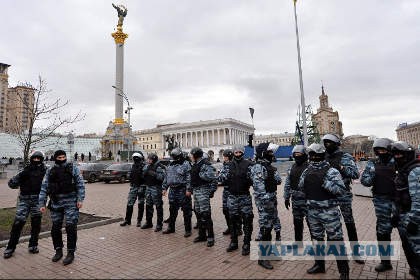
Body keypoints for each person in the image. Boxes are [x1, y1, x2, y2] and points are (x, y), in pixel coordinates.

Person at [298, 143, 349, 279]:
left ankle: (344, 272)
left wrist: (325, 183)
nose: (314, 158)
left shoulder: (331, 171)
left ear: (321, 156)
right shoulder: (307, 170)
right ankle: (319, 265)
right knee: (317, 240)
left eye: (316, 155)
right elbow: (301, 187)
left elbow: (341, 190)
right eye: (312, 155)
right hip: (313, 212)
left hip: (329, 212)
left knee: (337, 240)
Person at [322, 133, 364, 264]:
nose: (326, 145)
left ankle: (356, 253)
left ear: (336, 144)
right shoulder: (323, 157)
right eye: (325, 142)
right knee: (329, 222)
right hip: (328, 193)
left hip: (343, 195)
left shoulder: (344, 156)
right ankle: (330, 247)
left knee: (349, 224)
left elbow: (355, 174)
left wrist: (341, 167)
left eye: (329, 142)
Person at [38, 150, 85, 265]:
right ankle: (58, 250)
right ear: (55, 158)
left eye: (63, 157)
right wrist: (42, 203)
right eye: (59, 157)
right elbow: (44, 187)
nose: (62, 159)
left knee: (70, 227)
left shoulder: (72, 168)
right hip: (56, 202)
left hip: (71, 202)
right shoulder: (50, 170)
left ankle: (70, 252)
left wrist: (80, 199)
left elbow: (80, 183)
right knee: (55, 228)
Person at [361, 138, 395, 272]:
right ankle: (386, 262)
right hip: (381, 202)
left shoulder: (397, 161)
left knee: (407, 232)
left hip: (399, 201)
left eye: (384, 150)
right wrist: (374, 174)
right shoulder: (373, 163)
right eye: (378, 150)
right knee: (383, 232)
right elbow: (365, 181)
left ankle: (415, 265)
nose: (381, 152)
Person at [3, 151, 47, 259]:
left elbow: (51, 185)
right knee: (18, 223)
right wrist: (21, 177)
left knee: (36, 224)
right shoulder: (25, 170)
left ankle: (33, 245)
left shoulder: (45, 171)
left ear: (42, 159)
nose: (36, 160)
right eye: (34, 158)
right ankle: (10, 247)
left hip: (38, 201)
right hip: (24, 201)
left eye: (39, 158)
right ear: (31, 158)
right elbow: (11, 184)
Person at [390, 141, 420, 279]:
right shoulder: (401, 170)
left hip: (413, 217)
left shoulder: (415, 170)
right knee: (408, 248)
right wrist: (396, 214)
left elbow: (418, 200)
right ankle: (415, 270)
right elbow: (399, 194)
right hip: (403, 215)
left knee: (417, 250)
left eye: (401, 155)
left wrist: (414, 221)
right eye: (395, 155)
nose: (398, 157)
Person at [218, 144, 254, 256]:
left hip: (244, 196)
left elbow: (255, 180)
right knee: (232, 220)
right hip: (232, 196)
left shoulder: (249, 164)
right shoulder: (228, 166)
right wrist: (224, 174)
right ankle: (234, 242)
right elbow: (220, 179)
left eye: (240, 152)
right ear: (233, 153)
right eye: (236, 152)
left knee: (247, 220)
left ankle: (247, 244)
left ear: (242, 153)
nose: (238, 154)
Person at [252, 143, 282, 269]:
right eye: (269, 152)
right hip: (265, 202)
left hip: (271, 199)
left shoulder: (268, 166)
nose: (272, 154)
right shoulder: (258, 167)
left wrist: (273, 172)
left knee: (269, 227)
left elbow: (278, 180)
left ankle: (269, 252)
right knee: (265, 228)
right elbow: (259, 189)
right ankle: (262, 258)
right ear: (263, 153)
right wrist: (268, 202)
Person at [190, 147, 217, 247]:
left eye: (192, 155)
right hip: (196, 191)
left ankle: (210, 236)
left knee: (206, 214)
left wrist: (200, 174)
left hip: (203, 190)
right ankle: (202, 235)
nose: (191, 157)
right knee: (198, 212)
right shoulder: (195, 164)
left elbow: (211, 176)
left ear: (196, 155)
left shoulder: (205, 164)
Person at [162, 148, 192, 237]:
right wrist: (164, 188)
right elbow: (167, 178)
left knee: (186, 211)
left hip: (182, 190)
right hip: (172, 190)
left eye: (175, 156)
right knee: (172, 210)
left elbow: (189, 178)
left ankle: (188, 230)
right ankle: (171, 228)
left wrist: (188, 189)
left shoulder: (186, 164)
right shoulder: (170, 165)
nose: (174, 158)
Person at [284, 145, 310, 242]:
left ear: (304, 155)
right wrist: (286, 197)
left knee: (311, 223)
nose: (297, 156)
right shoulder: (292, 168)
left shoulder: (310, 167)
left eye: (299, 154)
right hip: (295, 201)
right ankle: (298, 243)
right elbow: (287, 183)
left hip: (307, 201)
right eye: (295, 155)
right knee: (297, 223)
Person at [120, 152, 146, 227]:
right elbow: (130, 175)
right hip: (134, 187)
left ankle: (139, 221)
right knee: (129, 203)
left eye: (136, 158)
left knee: (140, 204)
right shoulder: (133, 166)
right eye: (134, 158)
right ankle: (127, 220)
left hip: (142, 186)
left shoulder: (144, 166)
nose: (135, 160)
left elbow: (146, 176)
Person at [141, 153, 165, 232]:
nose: (148, 160)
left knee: (158, 206)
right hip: (148, 187)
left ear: (153, 159)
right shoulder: (147, 166)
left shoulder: (159, 167)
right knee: (148, 205)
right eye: (148, 159)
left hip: (156, 188)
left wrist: (154, 174)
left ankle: (159, 224)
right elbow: (143, 175)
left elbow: (162, 177)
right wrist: (144, 173)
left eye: (150, 159)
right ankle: (148, 222)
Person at [220, 149, 234, 235]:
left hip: (231, 191)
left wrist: (220, 176)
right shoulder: (225, 165)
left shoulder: (232, 165)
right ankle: (230, 227)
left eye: (224, 156)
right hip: (226, 191)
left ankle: (237, 228)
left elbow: (223, 178)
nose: (223, 158)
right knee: (225, 210)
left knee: (233, 211)